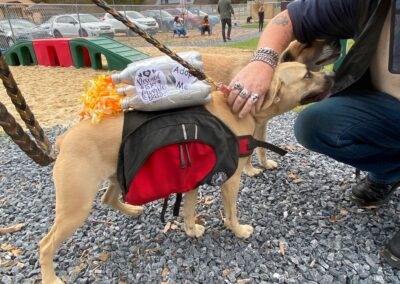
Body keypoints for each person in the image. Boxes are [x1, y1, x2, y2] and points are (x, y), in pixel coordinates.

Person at [227, 0, 400, 269]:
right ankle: (389, 171)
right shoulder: (371, 3)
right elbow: (287, 19)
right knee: (314, 123)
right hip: (391, 107)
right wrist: (262, 62)